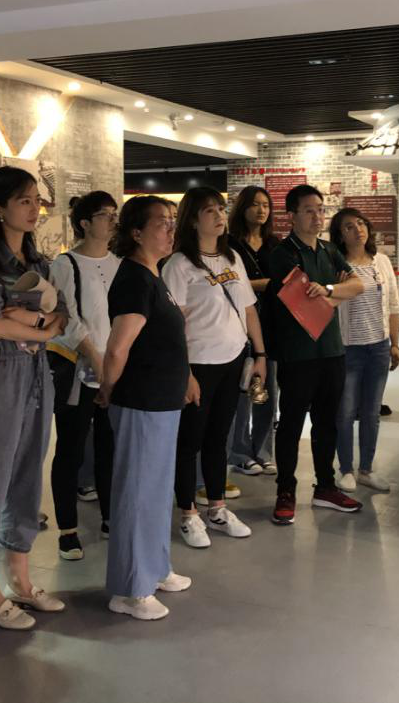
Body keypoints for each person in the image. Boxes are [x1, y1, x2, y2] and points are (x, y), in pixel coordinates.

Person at [0, 166, 69, 631]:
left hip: (36, 374)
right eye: (24, 200)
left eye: (36, 200)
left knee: (28, 475)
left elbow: (63, 316)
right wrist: (40, 327)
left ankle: (21, 581)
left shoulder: (38, 262)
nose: (34, 209)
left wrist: (28, 323)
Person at [97, 196, 193, 620]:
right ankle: (130, 589)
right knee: (137, 494)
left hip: (162, 402)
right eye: (161, 223)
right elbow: (117, 347)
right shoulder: (134, 279)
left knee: (155, 491)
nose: (171, 229)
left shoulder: (155, 275)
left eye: (173, 221)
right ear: (136, 232)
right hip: (141, 401)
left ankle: (155, 568)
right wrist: (108, 388)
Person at [162, 187, 266, 548]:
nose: (220, 216)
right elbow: (172, 326)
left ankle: (217, 508)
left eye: (222, 209)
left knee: (218, 439)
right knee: (189, 441)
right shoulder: (178, 265)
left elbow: (249, 309)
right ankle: (188, 513)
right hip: (198, 364)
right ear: (193, 219)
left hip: (232, 360)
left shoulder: (232, 257)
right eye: (211, 211)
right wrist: (185, 373)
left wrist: (260, 354)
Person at [266, 184, 365, 526]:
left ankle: (325, 486)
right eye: (308, 210)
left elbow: (359, 285)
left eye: (320, 209)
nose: (317, 216)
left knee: (327, 422)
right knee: (291, 424)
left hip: (332, 350)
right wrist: (335, 296)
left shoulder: (329, 249)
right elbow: (302, 303)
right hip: (298, 354)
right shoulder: (283, 254)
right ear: (291, 216)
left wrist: (328, 290)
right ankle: (285, 490)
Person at [47, 191, 121, 561]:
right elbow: (67, 317)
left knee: (109, 448)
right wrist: (95, 356)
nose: (112, 220)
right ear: (85, 223)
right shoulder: (67, 263)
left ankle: (110, 517)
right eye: (105, 215)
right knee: (71, 450)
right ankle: (68, 529)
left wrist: (115, 364)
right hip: (79, 372)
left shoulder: (120, 263)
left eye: (114, 214)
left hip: (116, 370)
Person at [328, 208, 399, 494]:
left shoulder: (381, 261)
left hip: (378, 347)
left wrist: (395, 343)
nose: (357, 229)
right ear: (340, 235)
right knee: (345, 412)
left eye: (360, 223)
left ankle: (366, 469)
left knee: (371, 413)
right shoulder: (337, 264)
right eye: (349, 226)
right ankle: (346, 469)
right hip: (348, 349)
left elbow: (393, 304)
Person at [226, 185, 281, 477]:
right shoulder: (228, 244)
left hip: (270, 326)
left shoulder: (275, 243)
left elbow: (284, 282)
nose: (261, 210)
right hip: (238, 326)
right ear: (243, 207)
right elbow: (231, 284)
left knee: (266, 393)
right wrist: (264, 285)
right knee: (242, 393)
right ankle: (239, 452)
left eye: (266, 205)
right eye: (255, 204)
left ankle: (263, 451)